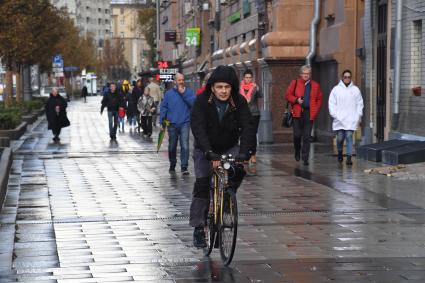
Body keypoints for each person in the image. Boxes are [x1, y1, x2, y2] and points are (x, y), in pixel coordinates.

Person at [189, 65, 252, 248]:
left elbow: (247, 127)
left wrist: (244, 153)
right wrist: (209, 153)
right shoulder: (202, 101)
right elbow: (198, 128)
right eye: (219, 87)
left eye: (227, 87)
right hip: (205, 148)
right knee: (202, 183)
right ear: (212, 87)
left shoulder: (239, 102)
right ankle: (199, 227)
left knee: (237, 171)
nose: (223, 91)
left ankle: (226, 198)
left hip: (228, 145)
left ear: (232, 87)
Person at [285, 65, 323, 166]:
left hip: (309, 113)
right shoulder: (295, 83)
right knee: (297, 135)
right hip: (297, 113)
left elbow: (319, 99)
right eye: (304, 73)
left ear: (310, 75)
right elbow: (287, 95)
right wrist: (296, 100)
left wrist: (315, 110)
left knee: (306, 136)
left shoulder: (315, 85)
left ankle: (305, 157)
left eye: (308, 73)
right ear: (300, 74)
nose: (306, 75)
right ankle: (297, 150)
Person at [160, 73, 196, 175]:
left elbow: (193, 104)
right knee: (172, 146)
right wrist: (162, 120)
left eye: (182, 80)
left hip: (185, 122)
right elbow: (164, 107)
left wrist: (183, 94)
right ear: (174, 81)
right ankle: (172, 163)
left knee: (185, 145)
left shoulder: (189, 92)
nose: (181, 82)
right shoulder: (168, 94)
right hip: (172, 123)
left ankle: (184, 167)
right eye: (179, 80)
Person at [329, 69, 364, 165]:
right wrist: (335, 115)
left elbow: (360, 103)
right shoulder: (336, 90)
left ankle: (349, 157)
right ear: (342, 78)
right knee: (340, 138)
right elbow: (332, 103)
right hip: (339, 120)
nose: (347, 79)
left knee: (349, 136)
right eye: (345, 77)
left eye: (349, 77)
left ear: (351, 78)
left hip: (351, 119)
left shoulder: (355, 90)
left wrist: (358, 115)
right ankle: (340, 152)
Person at [240, 69, 262, 164]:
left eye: (250, 77)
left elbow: (261, 95)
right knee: (244, 135)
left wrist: (257, 88)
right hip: (243, 114)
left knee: (252, 135)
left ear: (252, 78)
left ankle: (253, 154)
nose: (248, 79)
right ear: (243, 78)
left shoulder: (254, 87)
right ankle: (245, 155)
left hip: (254, 114)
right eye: (246, 77)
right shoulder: (239, 88)